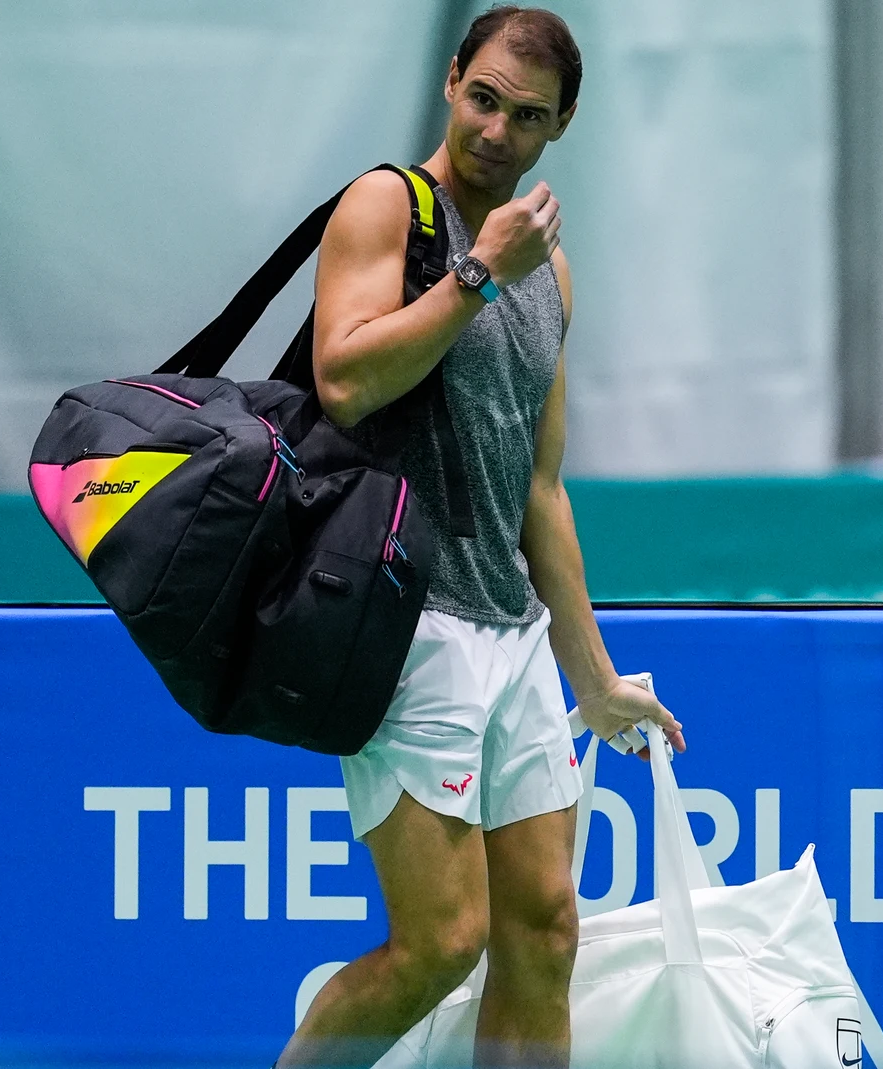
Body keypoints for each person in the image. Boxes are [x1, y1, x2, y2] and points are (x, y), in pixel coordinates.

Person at [275, 8, 686, 1067]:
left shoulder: (550, 270)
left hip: (511, 636)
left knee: (544, 935)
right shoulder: (387, 206)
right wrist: (474, 274)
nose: (497, 130)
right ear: (453, 80)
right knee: (440, 942)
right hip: (407, 627)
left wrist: (590, 678)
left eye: (528, 115)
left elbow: (538, 488)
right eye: (483, 99)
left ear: (563, 125)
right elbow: (347, 379)